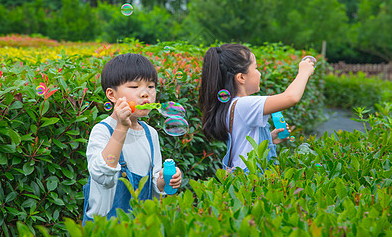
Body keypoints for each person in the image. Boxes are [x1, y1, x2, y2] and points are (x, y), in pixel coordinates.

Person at [83, 53, 182, 225]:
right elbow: (103, 177)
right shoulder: (102, 131)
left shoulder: (151, 134)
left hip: (139, 225)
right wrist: (122, 127)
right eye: (135, 86)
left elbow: (154, 188)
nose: (145, 94)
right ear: (112, 95)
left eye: (151, 86)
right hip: (105, 227)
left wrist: (164, 181)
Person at [198, 44, 315, 172]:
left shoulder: (232, 104)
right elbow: (290, 98)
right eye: (256, 68)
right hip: (250, 177)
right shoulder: (244, 105)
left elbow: (243, 143)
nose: (259, 73)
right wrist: (304, 73)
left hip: (240, 174)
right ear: (241, 77)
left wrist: (268, 139)